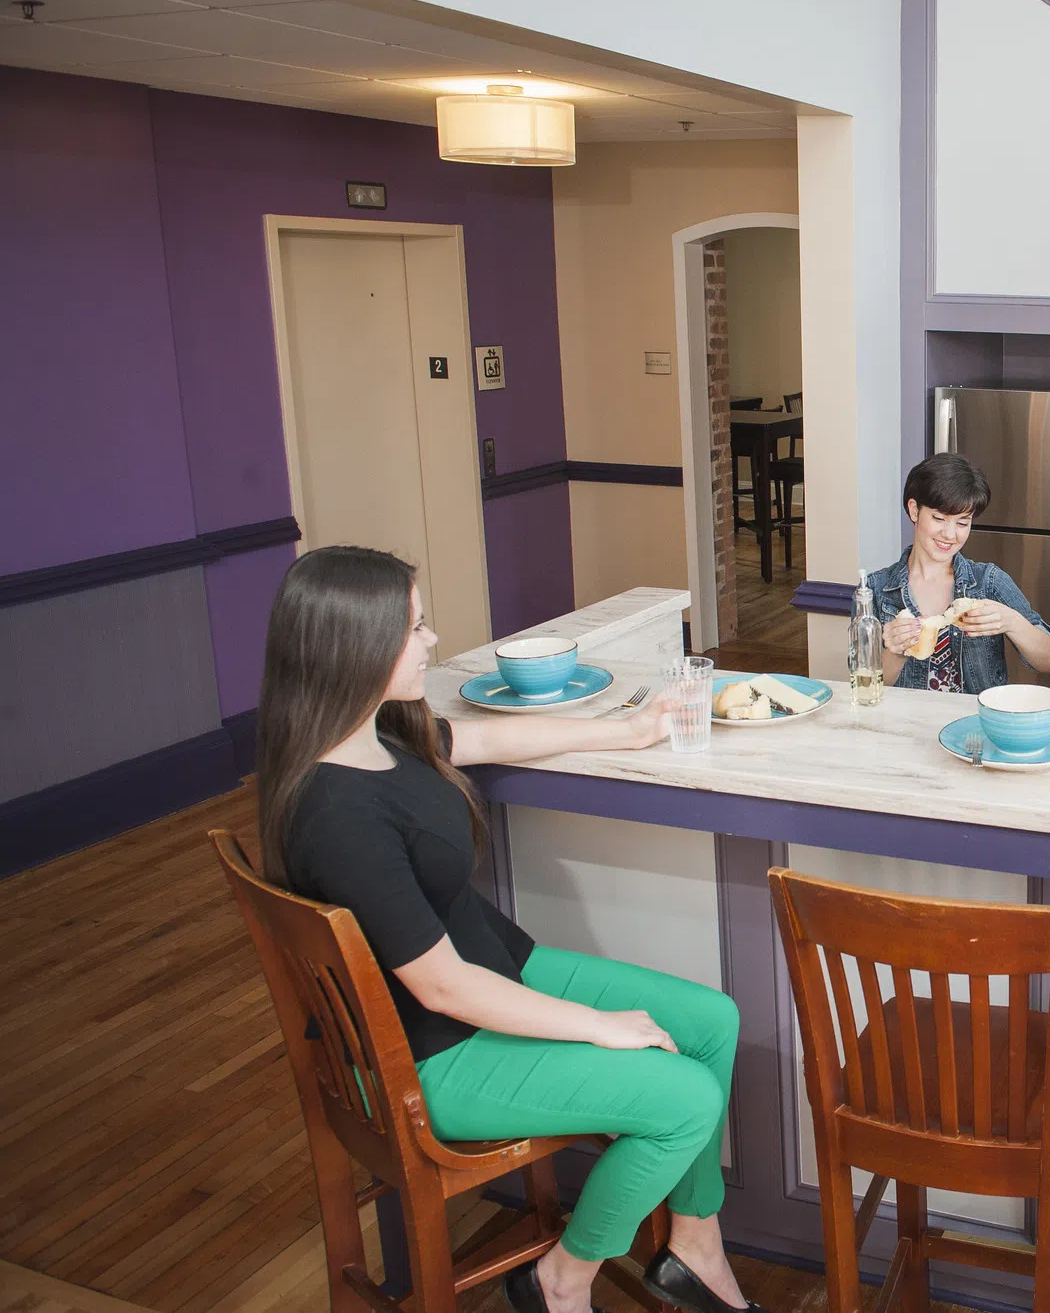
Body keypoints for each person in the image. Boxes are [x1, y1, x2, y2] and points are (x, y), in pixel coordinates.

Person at [256, 546, 764, 1313]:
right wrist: (598, 1026)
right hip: (431, 1053)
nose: (431, 640)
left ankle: (693, 1242)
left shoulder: (374, 736)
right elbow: (440, 985)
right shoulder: (337, 816)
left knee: (712, 1021)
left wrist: (628, 731)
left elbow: (481, 740)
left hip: (493, 975)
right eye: (415, 628)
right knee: (687, 1100)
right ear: (354, 647)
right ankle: (560, 1278)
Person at [865, 453, 1050, 692]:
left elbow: (1049, 662)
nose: (950, 534)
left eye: (962, 522)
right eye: (939, 518)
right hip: (905, 726)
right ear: (914, 510)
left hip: (977, 726)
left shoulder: (988, 582)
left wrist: (1011, 621)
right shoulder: (874, 589)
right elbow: (865, 687)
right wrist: (895, 652)